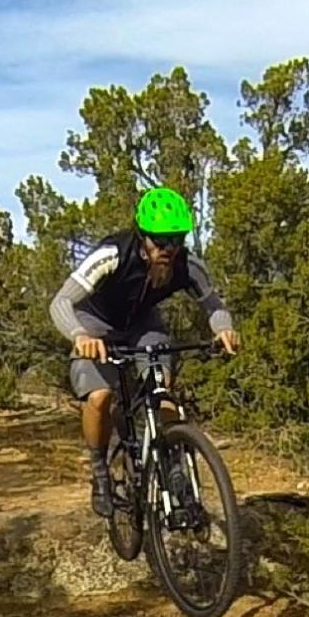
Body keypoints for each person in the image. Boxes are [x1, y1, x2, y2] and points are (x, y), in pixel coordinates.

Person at [49, 187, 240, 517]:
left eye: (176, 239)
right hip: (93, 322)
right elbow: (61, 302)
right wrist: (80, 335)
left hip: (141, 323)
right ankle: (100, 473)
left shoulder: (186, 265)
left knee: (161, 389)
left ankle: (174, 465)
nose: (168, 249)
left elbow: (212, 303)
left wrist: (223, 329)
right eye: (159, 240)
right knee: (99, 397)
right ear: (142, 236)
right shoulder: (112, 254)